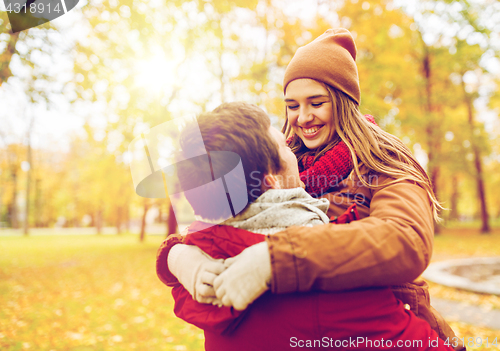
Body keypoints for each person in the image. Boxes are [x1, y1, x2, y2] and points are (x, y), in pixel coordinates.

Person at [157, 102, 455, 351]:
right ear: (271, 180)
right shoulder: (329, 281)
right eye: (285, 147)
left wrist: (173, 256)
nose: (294, 145)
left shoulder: (200, 263)